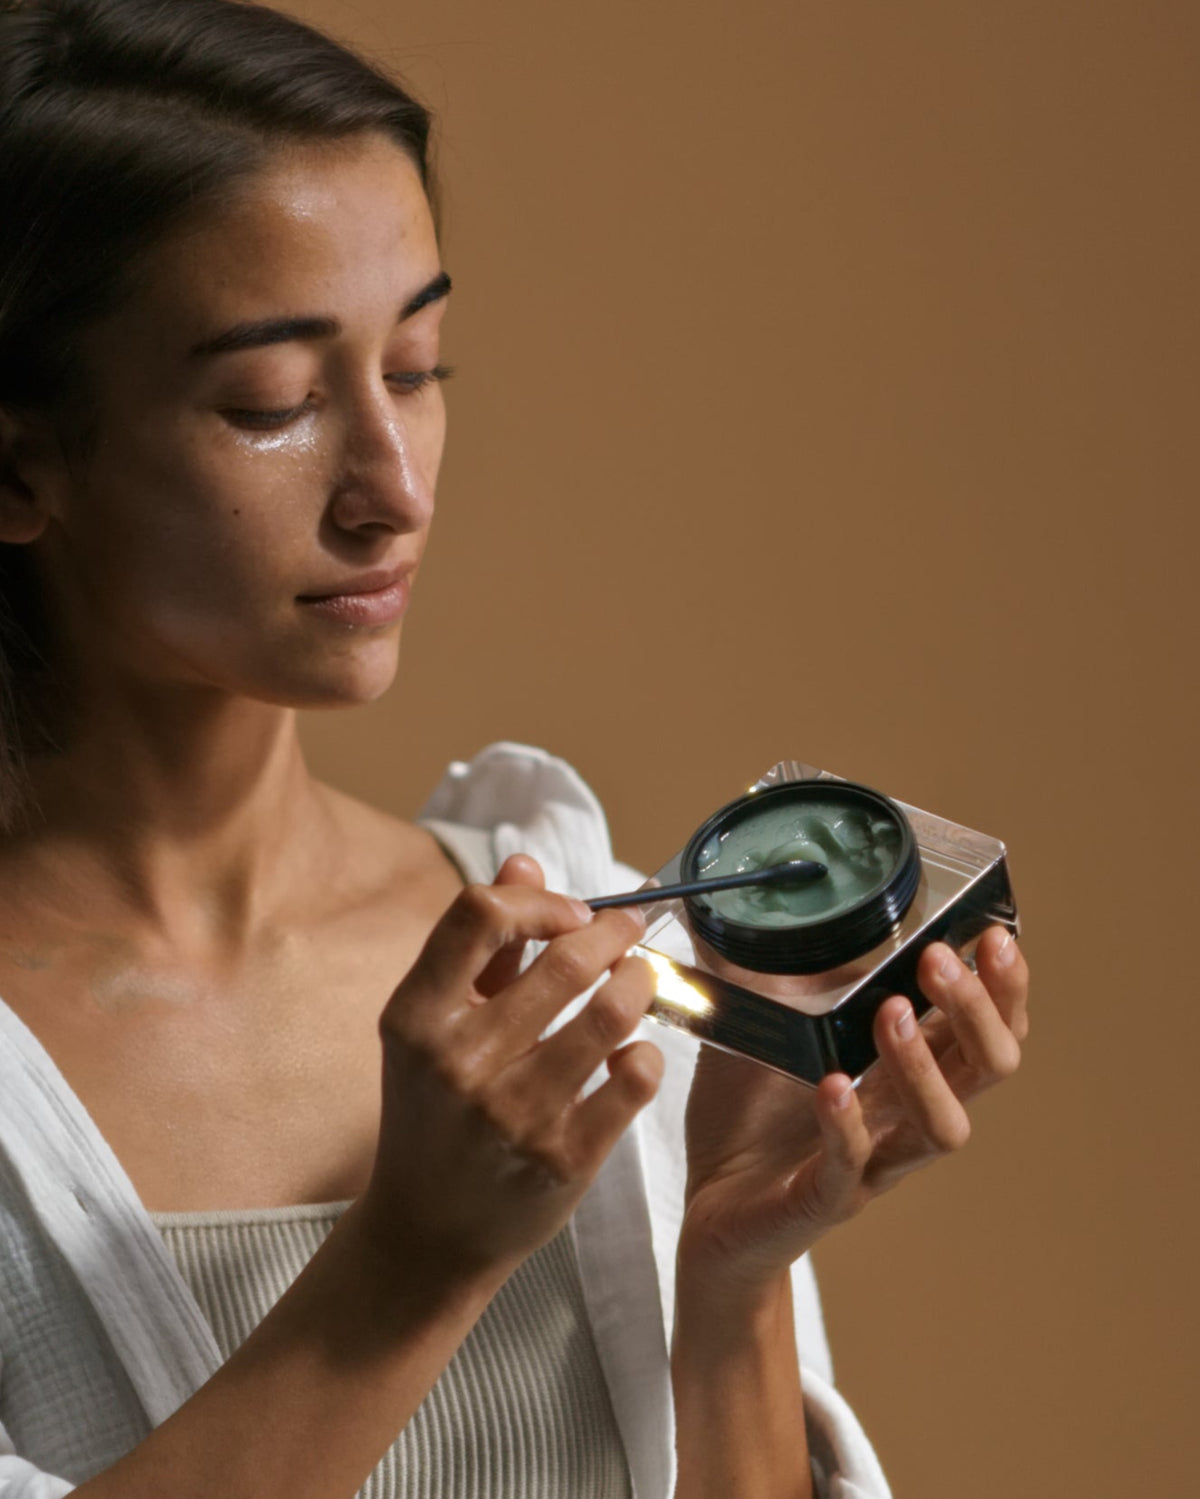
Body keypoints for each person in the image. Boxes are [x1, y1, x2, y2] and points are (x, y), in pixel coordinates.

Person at [0, 2, 1030, 1496]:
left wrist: (734, 1270)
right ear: (19, 464)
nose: (393, 489)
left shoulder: (578, 955)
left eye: (417, 367)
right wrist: (412, 1266)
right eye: (272, 404)